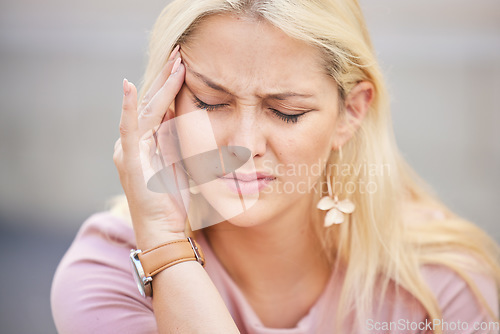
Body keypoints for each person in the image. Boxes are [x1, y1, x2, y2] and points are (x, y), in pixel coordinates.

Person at [51, 1, 500, 333]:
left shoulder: (438, 287)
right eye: (210, 102)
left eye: (286, 111)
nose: (244, 146)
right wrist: (165, 246)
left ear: (351, 113)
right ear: (167, 104)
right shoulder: (107, 271)